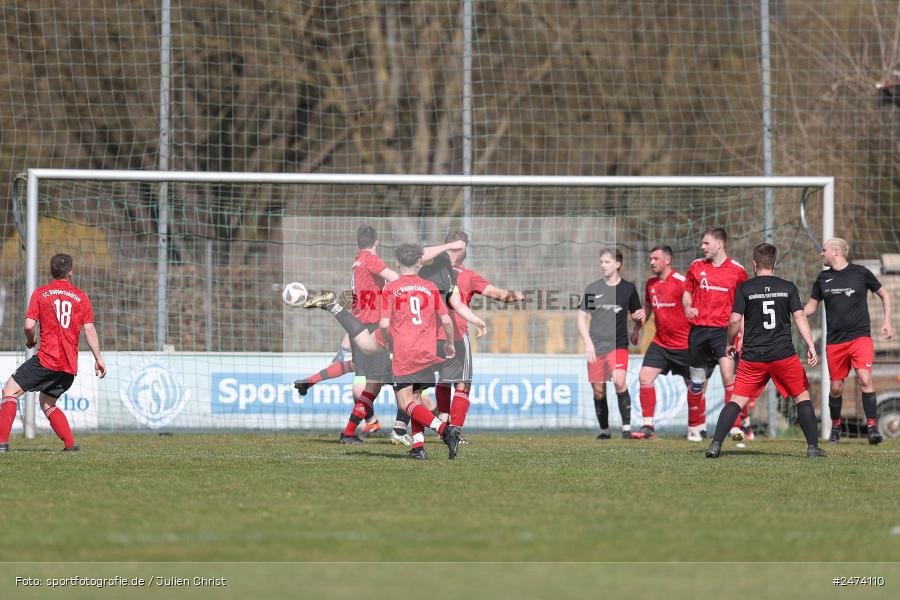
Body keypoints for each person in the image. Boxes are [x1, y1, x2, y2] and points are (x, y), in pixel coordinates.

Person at [706, 243, 824, 458]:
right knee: (801, 397)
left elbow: (734, 320)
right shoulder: (788, 287)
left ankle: (715, 445)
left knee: (736, 400)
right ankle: (813, 448)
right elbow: (799, 316)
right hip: (783, 355)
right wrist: (810, 345)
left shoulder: (745, 288)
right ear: (775, 264)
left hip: (753, 357)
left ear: (754, 264)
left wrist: (729, 343)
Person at [0, 254, 106, 452]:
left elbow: (29, 325)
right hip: (68, 365)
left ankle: (1, 443)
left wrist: (31, 341)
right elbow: (90, 329)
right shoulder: (81, 297)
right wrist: (98, 359)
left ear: (51, 271)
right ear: (70, 272)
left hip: (47, 359)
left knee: (9, 391)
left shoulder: (41, 293)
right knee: (48, 402)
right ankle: (70, 445)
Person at [803, 238, 893, 445]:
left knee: (864, 378)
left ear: (836, 251)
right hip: (835, 342)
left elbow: (884, 294)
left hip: (860, 337)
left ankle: (872, 428)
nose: (821, 253)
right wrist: (792, 310)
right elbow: (811, 307)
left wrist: (887, 321)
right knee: (836, 387)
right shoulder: (823, 278)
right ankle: (836, 426)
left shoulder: (860, 273)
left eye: (823, 250)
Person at [380, 244, 462, 460]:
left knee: (405, 403)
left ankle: (446, 431)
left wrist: (388, 341)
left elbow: (383, 324)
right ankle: (418, 448)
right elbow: (446, 320)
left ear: (397, 262)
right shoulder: (430, 287)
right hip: (427, 350)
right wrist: (450, 344)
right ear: (419, 262)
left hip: (404, 352)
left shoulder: (390, 288)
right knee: (415, 398)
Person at [629, 245, 705, 439]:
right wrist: (638, 327)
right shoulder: (651, 284)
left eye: (655, 258)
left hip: (685, 345)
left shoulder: (682, 282)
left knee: (695, 386)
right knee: (645, 377)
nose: (651, 262)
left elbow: (694, 306)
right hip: (661, 344)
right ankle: (648, 427)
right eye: (650, 258)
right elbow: (648, 308)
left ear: (667, 260)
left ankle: (696, 428)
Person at [682, 228, 748, 442]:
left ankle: (734, 427)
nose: (702, 247)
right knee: (698, 382)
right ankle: (695, 427)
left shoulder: (738, 271)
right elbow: (686, 292)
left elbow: (743, 308)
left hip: (723, 331)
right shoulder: (696, 266)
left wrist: (743, 336)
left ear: (719, 244)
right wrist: (687, 307)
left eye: (706, 243)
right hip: (699, 331)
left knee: (729, 377)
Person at [577, 247, 645, 439]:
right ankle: (605, 431)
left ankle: (626, 428)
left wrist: (640, 319)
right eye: (601, 262)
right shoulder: (593, 288)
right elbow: (581, 317)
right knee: (599, 391)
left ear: (618, 264)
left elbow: (638, 316)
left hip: (618, 344)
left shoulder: (628, 289)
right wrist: (588, 343)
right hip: (596, 347)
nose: (603, 265)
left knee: (619, 381)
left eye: (607, 262)